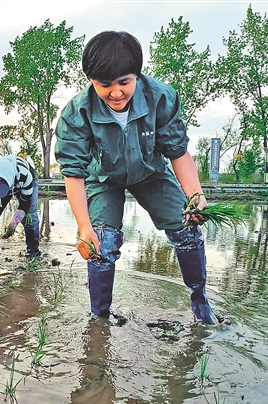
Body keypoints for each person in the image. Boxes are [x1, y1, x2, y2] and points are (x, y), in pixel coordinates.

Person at [54, 31, 218, 324]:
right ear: (92, 80)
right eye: (105, 85)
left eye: (124, 83)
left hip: (151, 174)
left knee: (187, 228)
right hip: (102, 179)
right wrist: (83, 227)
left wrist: (196, 196)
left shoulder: (160, 98)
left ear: (137, 76)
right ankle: (100, 317)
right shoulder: (76, 113)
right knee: (101, 244)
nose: (116, 93)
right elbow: (74, 174)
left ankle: (200, 300)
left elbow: (178, 153)